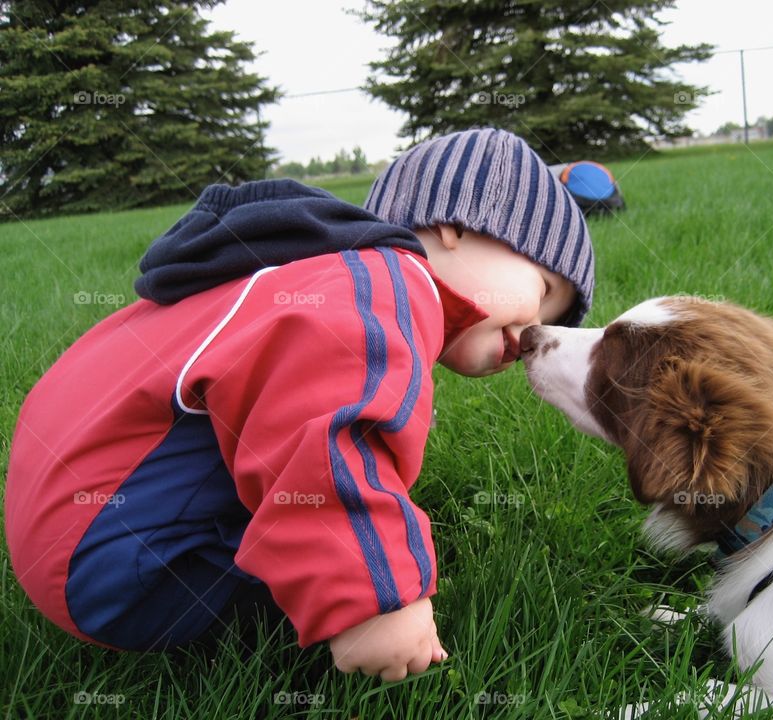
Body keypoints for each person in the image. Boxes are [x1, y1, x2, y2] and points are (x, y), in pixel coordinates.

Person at [4, 127, 594, 682]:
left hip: (74, 523)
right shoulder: (386, 284)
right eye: (543, 291)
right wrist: (377, 602)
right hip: (128, 567)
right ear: (456, 226)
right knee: (358, 568)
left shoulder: (304, 271)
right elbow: (327, 436)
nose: (534, 332)